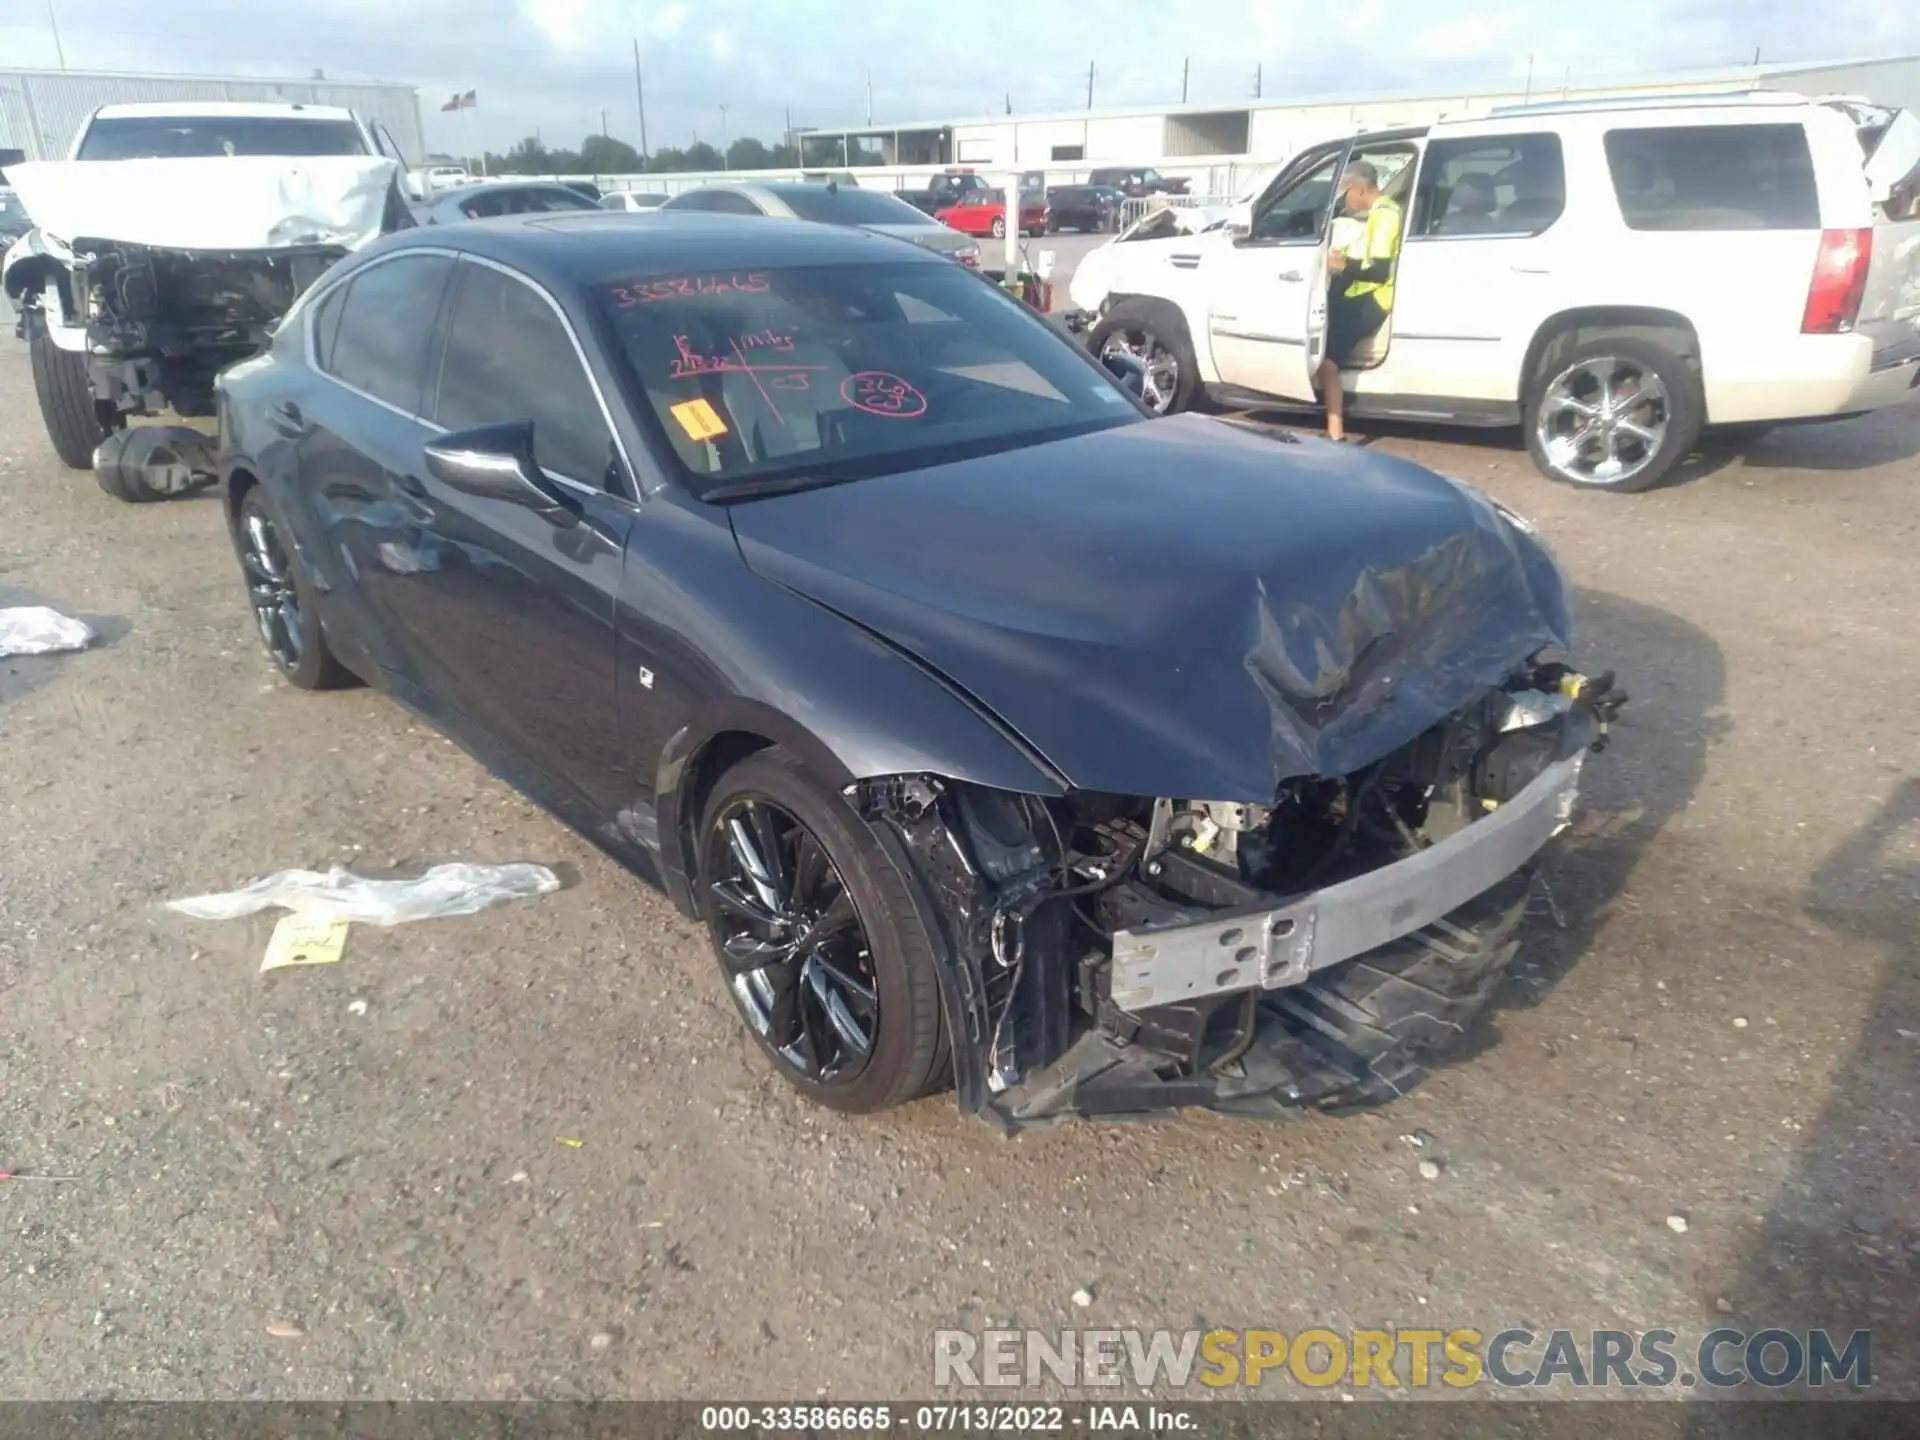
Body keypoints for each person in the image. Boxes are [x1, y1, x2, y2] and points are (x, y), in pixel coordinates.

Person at [1316, 160, 1402, 441]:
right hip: (1361, 292)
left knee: (1327, 359)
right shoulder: (1379, 212)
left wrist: (1342, 266)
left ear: (1360, 188)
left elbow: (1378, 271)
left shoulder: (1386, 214)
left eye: (1346, 192)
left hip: (1374, 296)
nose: (1346, 199)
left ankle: (1336, 433)